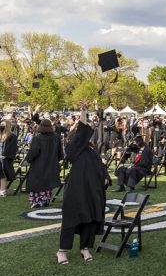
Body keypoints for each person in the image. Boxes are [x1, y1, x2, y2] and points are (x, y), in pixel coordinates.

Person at [57, 106, 107, 265]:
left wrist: (105, 177)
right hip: (77, 189)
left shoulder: (91, 150)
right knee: (71, 218)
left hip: (93, 190)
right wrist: (83, 113)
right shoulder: (73, 148)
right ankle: (62, 251)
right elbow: (82, 130)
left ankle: (85, 247)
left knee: (90, 218)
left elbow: (100, 167)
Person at [25, 118, 63, 208]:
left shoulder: (38, 138)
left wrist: (29, 159)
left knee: (37, 182)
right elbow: (60, 153)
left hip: (39, 163)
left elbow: (34, 151)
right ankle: (46, 200)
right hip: (51, 163)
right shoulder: (56, 137)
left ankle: (37, 201)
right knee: (48, 182)